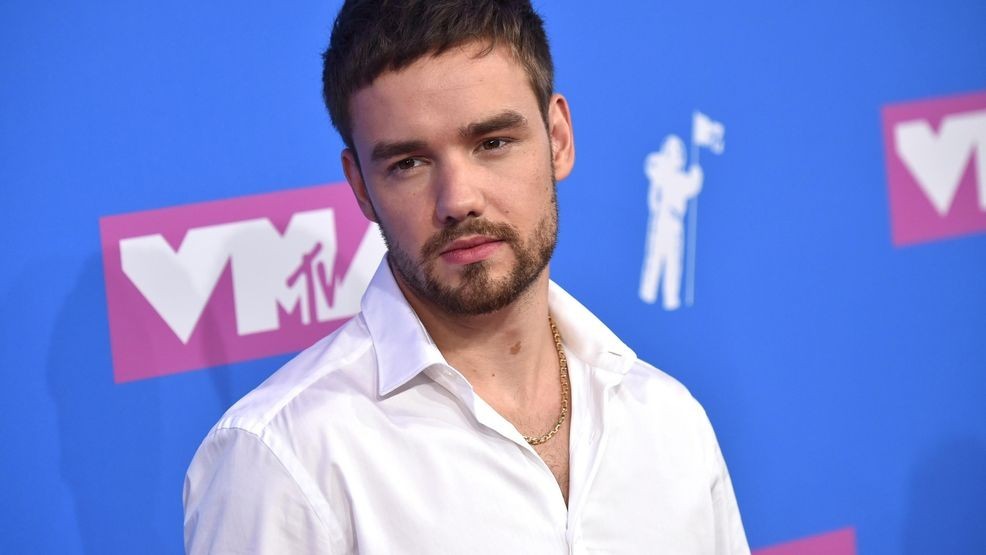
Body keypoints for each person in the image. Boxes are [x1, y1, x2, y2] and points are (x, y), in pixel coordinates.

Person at [183, 1, 750, 553]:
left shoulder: (669, 421)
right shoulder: (285, 458)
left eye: (493, 143)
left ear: (557, 138)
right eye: (408, 163)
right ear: (361, 188)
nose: (458, 200)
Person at [639, 135, 704, 310]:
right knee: (655, 258)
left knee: (673, 262)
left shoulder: (679, 177)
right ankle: (648, 292)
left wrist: (696, 175)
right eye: (674, 152)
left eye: (679, 153)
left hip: (675, 223)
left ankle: (671, 299)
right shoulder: (662, 171)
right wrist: (695, 176)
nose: (678, 156)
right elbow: (651, 165)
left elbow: (691, 186)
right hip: (662, 221)